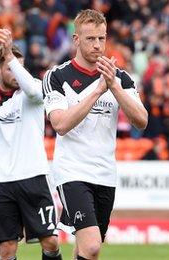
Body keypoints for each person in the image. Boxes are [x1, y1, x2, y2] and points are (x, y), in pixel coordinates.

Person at [42, 9, 147, 260]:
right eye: (90, 39)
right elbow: (61, 124)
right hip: (72, 172)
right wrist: (98, 91)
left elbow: (141, 120)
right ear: (76, 40)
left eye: (102, 38)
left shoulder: (120, 78)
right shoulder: (57, 76)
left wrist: (114, 87)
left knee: (85, 249)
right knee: (91, 246)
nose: (97, 45)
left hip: (105, 173)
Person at [0, 28, 61, 260]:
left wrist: (10, 55)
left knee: (50, 241)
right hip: (2, 182)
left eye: (19, 66)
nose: (16, 72)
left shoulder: (31, 91)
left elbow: (33, 90)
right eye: (10, 67)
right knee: (7, 249)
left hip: (34, 177)